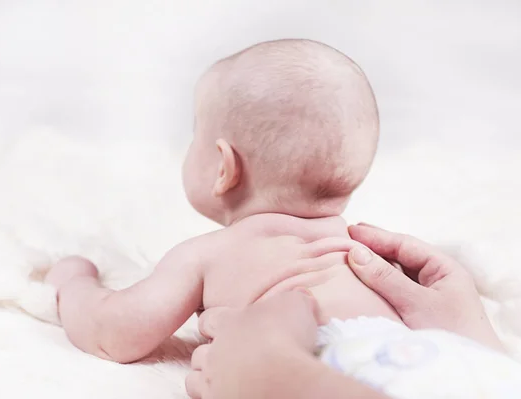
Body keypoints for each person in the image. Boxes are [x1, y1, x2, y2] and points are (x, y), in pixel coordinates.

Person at [45, 38, 399, 363]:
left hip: (309, 366)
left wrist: (73, 283)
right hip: (407, 357)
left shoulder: (206, 255)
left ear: (224, 168)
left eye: (196, 132)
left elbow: (113, 333)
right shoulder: (370, 255)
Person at [186, 225, 514, 399]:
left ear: (224, 168)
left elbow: (132, 333)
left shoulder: (206, 251)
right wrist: (474, 347)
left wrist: (271, 377)